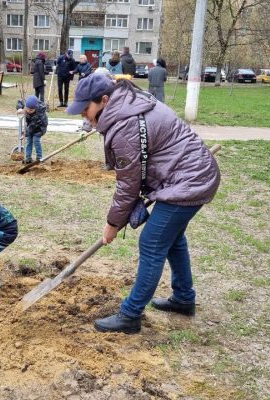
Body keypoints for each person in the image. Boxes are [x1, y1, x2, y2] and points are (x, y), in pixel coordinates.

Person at [66, 73, 220, 334]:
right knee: (172, 238)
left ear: (104, 100)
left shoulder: (125, 123)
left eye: (86, 109)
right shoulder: (127, 106)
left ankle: (130, 315)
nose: (84, 116)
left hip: (189, 181)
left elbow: (128, 184)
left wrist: (112, 224)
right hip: (186, 177)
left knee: (152, 242)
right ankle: (183, 297)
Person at [16, 95, 48, 163]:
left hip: (39, 128)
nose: (28, 111)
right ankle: (28, 158)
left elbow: (32, 126)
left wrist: (24, 133)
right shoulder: (27, 103)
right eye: (27, 109)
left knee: (36, 140)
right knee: (29, 141)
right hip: (30, 126)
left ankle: (39, 158)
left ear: (35, 108)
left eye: (31, 110)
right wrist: (19, 108)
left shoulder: (40, 113)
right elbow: (20, 102)